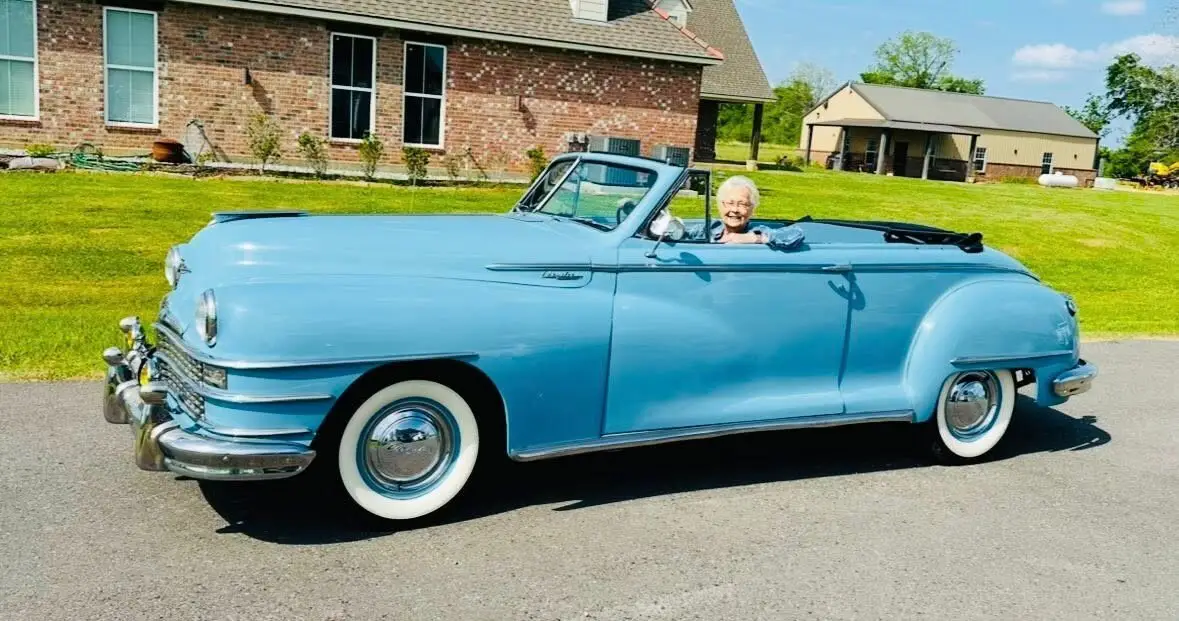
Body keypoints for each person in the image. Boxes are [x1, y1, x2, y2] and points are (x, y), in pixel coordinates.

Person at [686, 175, 803, 250]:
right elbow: (682, 233)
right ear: (720, 205)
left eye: (742, 204)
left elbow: (796, 234)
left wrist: (754, 238)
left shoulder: (757, 230)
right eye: (730, 203)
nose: (735, 209)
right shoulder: (711, 228)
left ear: (752, 209)